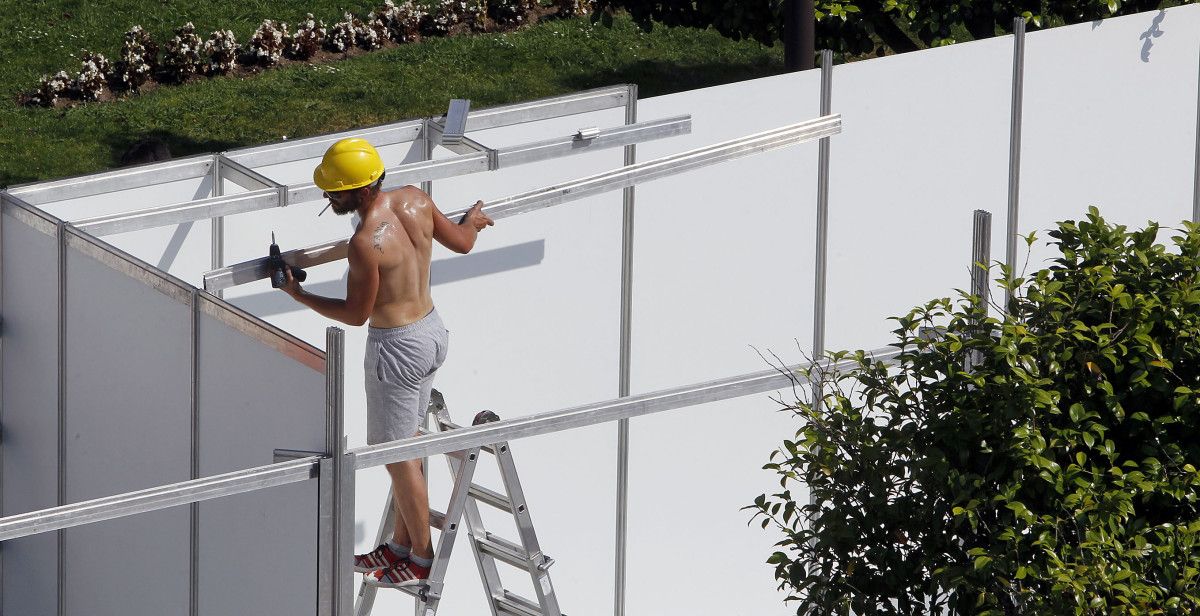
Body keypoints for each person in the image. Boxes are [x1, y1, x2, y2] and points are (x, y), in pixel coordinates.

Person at [279, 137, 493, 588]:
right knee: (408, 443)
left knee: (394, 454)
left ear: (358, 191)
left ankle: (420, 558)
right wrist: (470, 222)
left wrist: (299, 295)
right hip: (432, 332)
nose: (327, 197)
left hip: (396, 347)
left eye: (334, 191)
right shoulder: (416, 199)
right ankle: (398, 544)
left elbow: (356, 315)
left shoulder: (365, 243)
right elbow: (462, 242)